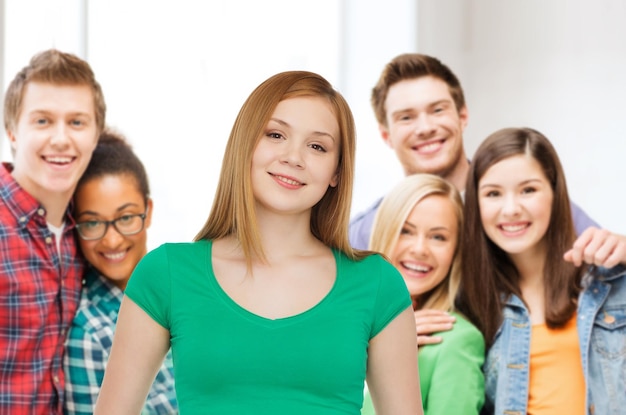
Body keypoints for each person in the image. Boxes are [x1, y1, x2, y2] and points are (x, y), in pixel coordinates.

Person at [94, 71, 422, 415]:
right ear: (245, 143)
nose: (294, 158)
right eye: (276, 134)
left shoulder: (376, 284)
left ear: (336, 172)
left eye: (317, 146)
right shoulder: (167, 274)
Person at [349, 53, 597, 250]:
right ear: (386, 135)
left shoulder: (527, 204)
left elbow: (605, 257)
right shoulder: (364, 232)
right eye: (406, 117)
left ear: (462, 116)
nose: (425, 128)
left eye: (437, 110)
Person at [456, 127, 626, 414]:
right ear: (476, 204)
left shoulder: (608, 282)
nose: (511, 209)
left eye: (528, 190)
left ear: (555, 193)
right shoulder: (468, 301)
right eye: (493, 193)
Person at [0, 49, 105, 415]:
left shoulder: (90, 231)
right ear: (13, 131)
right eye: (43, 121)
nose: (61, 139)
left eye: (77, 122)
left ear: (96, 135)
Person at [63, 129, 178, 414]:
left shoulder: (186, 286)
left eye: (126, 217)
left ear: (148, 211)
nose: (112, 240)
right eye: (92, 223)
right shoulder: (89, 332)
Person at [361, 174, 484, 415]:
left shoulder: (456, 341)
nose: (419, 249)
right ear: (384, 232)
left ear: (456, 252)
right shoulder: (349, 329)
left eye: (438, 237)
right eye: (405, 231)